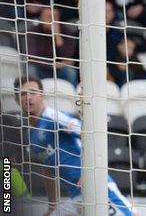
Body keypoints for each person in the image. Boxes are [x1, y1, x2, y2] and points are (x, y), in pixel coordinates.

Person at [13, 76, 137, 216]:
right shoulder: (30, 135)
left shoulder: (53, 117)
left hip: (96, 189)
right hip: (75, 198)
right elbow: (47, 170)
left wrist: (88, 172)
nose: (28, 98)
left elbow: (90, 135)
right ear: (17, 100)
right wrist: (52, 206)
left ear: (42, 95)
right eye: (23, 94)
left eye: (33, 92)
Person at [25, 7, 79, 86]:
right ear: (41, 18)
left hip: (60, 70)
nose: (51, 20)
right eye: (48, 17)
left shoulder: (66, 31)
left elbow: (68, 56)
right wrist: (51, 65)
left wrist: (57, 36)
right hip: (40, 68)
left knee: (71, 72)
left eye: (55, 17)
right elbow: (31, 56)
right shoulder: (33, 32)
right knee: (31, 70)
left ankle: (72, 96)